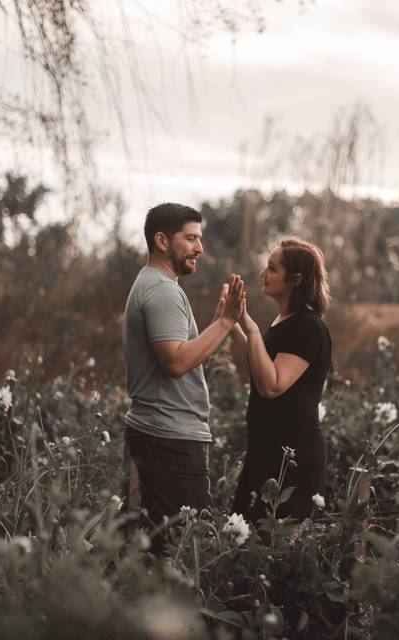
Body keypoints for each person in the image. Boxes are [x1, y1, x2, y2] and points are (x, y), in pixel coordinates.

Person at [121, 202, 244, 552]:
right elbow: (175, 362)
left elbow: (179, 352)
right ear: (162, 240)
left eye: (200, 239)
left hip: (161, 434)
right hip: (169, 440)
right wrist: (225, 323)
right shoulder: (161, 290)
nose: (199, 248)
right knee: (188, 552)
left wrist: (219, 324)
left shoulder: (155, 284)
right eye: (190, 238)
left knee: (157, 549)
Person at [230, 237, 332, 523]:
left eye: (272, 268)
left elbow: (272, 385)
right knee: (245, 544)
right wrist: (232, 322)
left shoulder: (307, 327)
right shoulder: (285, 321)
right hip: (266, 450)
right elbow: (261, 364)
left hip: (291, 459)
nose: (263, 273)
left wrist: (249, 327)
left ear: (295, 280)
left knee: (274, 549)